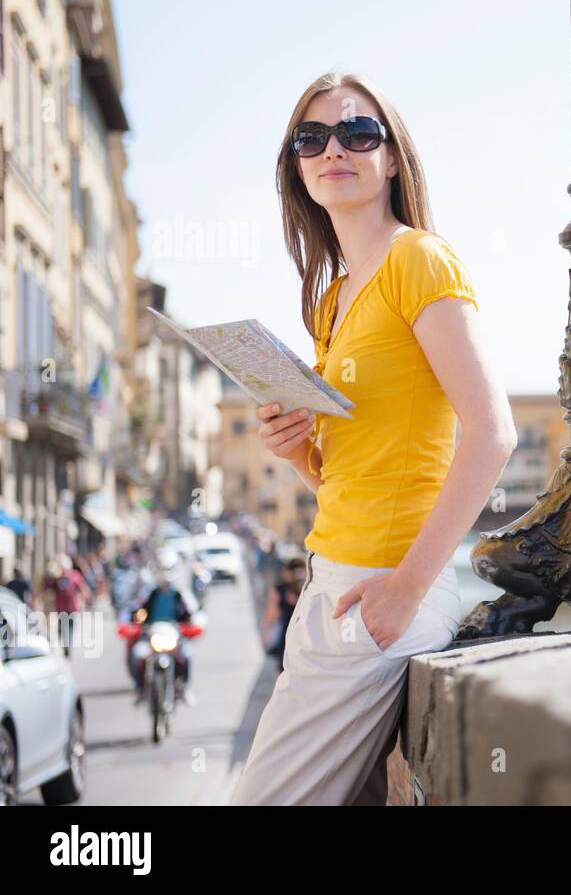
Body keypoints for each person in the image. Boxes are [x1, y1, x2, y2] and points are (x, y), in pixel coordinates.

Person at [231, 73, 516, 806]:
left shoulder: (419, 260)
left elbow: (492, 434)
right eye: (312, 137)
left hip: (383, 597)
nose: (335, 148)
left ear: (391, 158)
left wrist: (407, 589)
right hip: (334, 586)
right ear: (296, 166)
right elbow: (358, 479)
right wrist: (299, 453)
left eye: (359, 133)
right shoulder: (333, 296)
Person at [127, 565, 197, 706]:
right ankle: (140, 689)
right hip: (153, 634)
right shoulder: (150, 593)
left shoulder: (179, 595)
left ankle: (183, 687)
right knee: (136, 655)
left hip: (174, 635)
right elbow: (137, 611)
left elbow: (190, 613)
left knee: (188, 655)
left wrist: (188, 625)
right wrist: (137, 621)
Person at [263, 556, 306, 672]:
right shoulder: (309, 589)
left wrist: (265, 631)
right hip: (306, 634)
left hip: (286, 636)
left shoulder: (280, 589)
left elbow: (272, 613)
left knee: (284, 671)